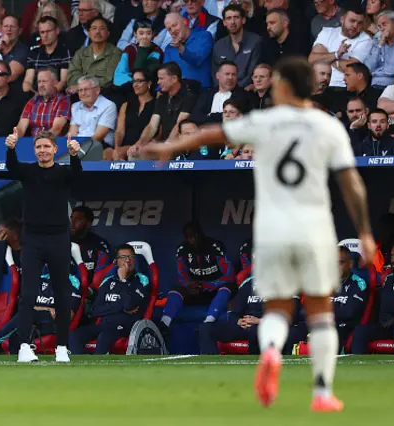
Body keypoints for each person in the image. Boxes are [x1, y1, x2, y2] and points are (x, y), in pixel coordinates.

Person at [144, 56, 376, 412]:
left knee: (278, 309)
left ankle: (269, 353)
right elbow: (353, 185)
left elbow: (212, 132)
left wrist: (171, 147)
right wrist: (364, 231)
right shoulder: (328, 127)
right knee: (319, 312)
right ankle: (321, 392)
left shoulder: (266, 121)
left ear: (283, 87)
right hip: (313, 226)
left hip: (272, 228)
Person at [4, 128, 82, 363]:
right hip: (33, 240)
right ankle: (25, 347)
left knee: (61, 294)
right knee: (28, 295)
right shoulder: (28, 171)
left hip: (58, 239)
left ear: (55, 149)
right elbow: (12, 168)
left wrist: (75, 155)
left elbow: (77, 176)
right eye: (39, 147)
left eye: (47, 146)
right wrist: (10, 148)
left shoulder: (63, 172)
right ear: (34, 150)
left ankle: (61, 347)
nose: (43, 151)